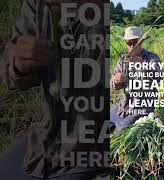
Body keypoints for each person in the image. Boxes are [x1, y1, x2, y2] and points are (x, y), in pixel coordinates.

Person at [0, 0, 109, 179]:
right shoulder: (37, 4)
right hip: (45, 141)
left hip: (94, 149)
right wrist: (19, 62)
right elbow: (9, 67)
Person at [110, 26, 163, 133]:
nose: (132, 46)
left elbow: (158, 77)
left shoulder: (152, 58)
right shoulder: (122, 60)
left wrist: (140, 64)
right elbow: (113, 84)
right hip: (124, 105)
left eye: (135, 42)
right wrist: (116, 81)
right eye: (129, 43)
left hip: (142, 107)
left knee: (120, 131)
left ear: (141, 41)